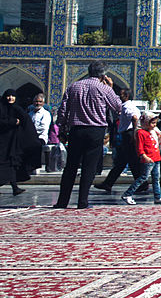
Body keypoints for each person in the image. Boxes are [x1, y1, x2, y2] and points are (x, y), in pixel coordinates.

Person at [53, 62, 124, 209]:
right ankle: (82, 202)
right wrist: (111, 88)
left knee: (71, 166)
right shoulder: (104, 88)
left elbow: (62, 111)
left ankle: (62, 201)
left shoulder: (74, 86)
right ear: (103, 75)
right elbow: (118, 107)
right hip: (95, 131)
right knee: (89, 167)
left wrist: (61, 129)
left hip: (76, 130)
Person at [94, 88, 143, 195]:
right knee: (122, 162)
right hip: (129, 134)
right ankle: (108, 183)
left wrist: (134, 133)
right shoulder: (132, 106)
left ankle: (141, 184)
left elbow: (134, 118)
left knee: (130, 161)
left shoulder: (126, 107)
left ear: (126, 96)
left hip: (128, 135)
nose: (119, 97)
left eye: (121, 95)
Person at [123, 112, 161, 205]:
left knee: (156, 178)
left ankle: (158, 196)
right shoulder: (140, 132)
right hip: (148, 159)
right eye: (152, 123)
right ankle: (128, 194)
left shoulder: (154, 132)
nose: (154, 125)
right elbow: (139, 146)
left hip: (156, 158)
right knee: (143, 177)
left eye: (155, 123)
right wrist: (143, 156)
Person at [0, 90, 27, 196]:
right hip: (2, 142)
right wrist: (13, 121)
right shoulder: (1, 108)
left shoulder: (16, 108)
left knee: (11, 163)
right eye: (8, 96)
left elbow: (25, 119)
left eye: (13, 96)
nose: (10, 98)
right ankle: (14, 187)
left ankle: (15, 187)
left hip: (12, 142)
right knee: (3, 163)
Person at [26, 92, 51, 172]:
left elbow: (43, 127)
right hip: (30, 137)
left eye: (40, 102)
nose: (38, 103)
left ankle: (35, 166)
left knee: (35, 145)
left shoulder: (46, 114)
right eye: (36, 101)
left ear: (43, 103)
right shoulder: (30, 114)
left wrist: (31, 131)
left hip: (41, 137)